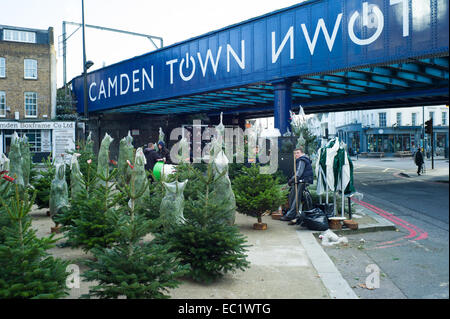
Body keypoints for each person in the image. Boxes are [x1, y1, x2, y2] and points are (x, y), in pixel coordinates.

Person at [280, 146, 314, 222]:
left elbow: (299, 173)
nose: (296, 155)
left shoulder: (302, 160)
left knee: (296, 198)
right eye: (295, 153)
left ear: (302, 153)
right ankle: (292, 214)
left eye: (298, 153)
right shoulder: (302, 159)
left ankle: (291, 215)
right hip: (299, 181)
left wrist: (291, 180)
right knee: (292, 196)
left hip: (301, 181)